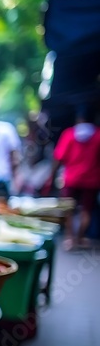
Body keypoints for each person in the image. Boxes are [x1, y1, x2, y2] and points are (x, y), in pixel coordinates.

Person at [50, 106, 100, 250]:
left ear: (78, 119)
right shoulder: (98, 136)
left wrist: (51, 177)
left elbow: (58, 157)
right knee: (86, 210)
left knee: (68, 210)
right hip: (92, 181)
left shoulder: (69, 134)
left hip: (71, 179)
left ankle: (69, 239)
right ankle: (79, 238)